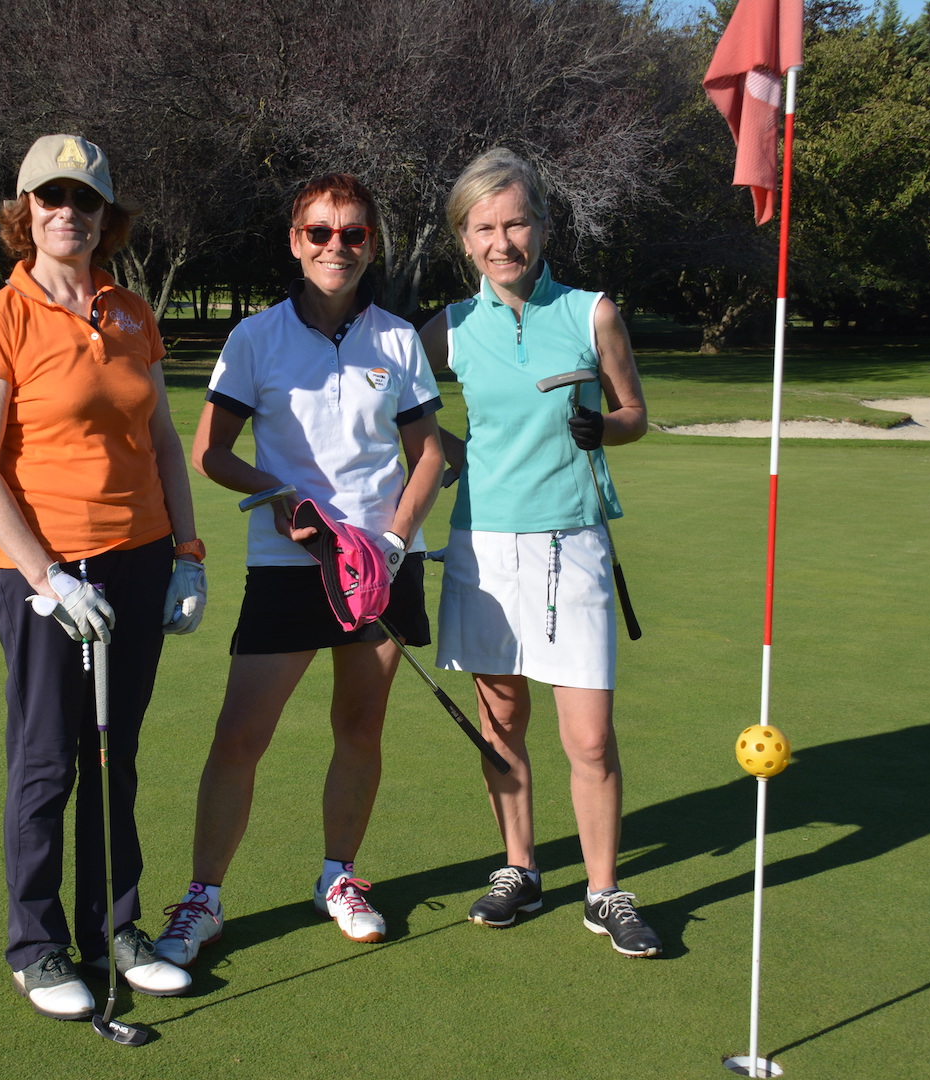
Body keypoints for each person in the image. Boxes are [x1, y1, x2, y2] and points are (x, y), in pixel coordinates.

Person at [152, 173, 445, 965]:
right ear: (295, 241)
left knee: (359, 727)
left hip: (379, 568)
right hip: (289, 563)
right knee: (240, 734)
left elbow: (429, 456)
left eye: (352, 234)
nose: (336, 247)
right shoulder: (256, 338)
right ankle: (202, 900)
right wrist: (276, 492)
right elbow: (212, 452)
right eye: (320, 232)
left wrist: (392, 540)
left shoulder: (398, 339)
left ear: (371, 244)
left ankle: (339, 878)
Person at [0, 134, 208, 1019]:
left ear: (107, 216)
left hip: (138, 562)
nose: (69, 213)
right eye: (50, 199)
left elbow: (165, 443)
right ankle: (37, 945)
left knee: (116, 754)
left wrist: (186, 554)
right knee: (46, 762)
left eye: (85, 200)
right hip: (45, 574)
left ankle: (117, 927)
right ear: (25, 214)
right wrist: (48, 577)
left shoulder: (133, 312)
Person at [419, 148, 661, 957]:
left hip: (574, 541)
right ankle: (519, 870)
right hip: (484, 545)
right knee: (502, 721)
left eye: (516, 221)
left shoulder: (592, 312)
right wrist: (450, 453)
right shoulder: (446, 329)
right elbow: (390, 405)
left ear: (545, 223)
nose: (502, 240)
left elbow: (634, 413)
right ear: (464, 237)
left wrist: (607, 427)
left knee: (588, 737)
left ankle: (604, 890)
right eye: (483, 226)